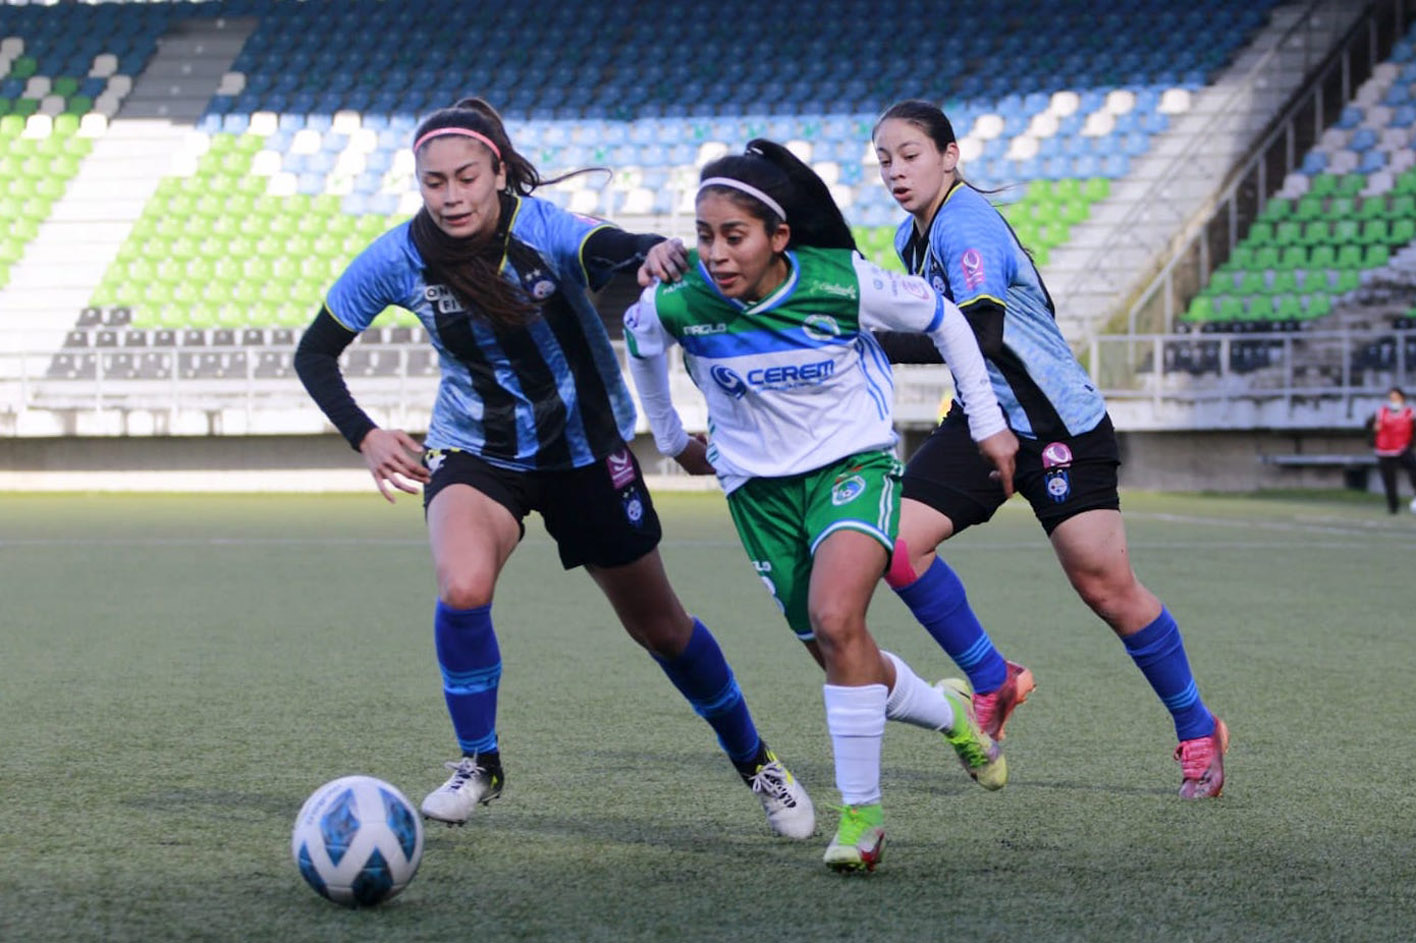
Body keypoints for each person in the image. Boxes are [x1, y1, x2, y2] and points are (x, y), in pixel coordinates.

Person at [293, 97, 816, 840]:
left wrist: (652, 252)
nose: (450, 195)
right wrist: (364, 434)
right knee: (463, 584)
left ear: (499, 172)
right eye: (433, 181)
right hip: (477, 450)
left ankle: (758, 762)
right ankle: (479, 760)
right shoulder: (396, 255)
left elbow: (606, 247)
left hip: (585, 452)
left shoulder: (539, 228)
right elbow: (314, 351)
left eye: (466, 177)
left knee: (662, 628)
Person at [624, 140, 1016, 873]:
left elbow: (947, 319)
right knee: (843, 659)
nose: (716, 253)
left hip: (852, 466)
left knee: (840, 622)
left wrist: (989, 422)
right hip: (758, 496)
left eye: (734, 236)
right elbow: (639, 339)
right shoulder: (681, 302)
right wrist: (673, 438)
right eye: (705, 236)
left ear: (778, 237)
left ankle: (861, 820)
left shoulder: (840, 283)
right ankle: (953, 714)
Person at [870, 100, 1229, 799]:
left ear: (950, 156)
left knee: (1107, 588)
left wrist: (868, 341)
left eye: (910, 154)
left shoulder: (966, 220)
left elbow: (981, 333)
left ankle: (1197, 727)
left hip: (1059, 425)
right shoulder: (909, 238)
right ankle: (991, 677)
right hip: (981, 418)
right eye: (884, 159)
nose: (895, 170)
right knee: (897, 543)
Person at [1368, 386, 1416, 515]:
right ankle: (1393, 507)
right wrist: (1374, 428)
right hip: (1384, 450)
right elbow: (1369, 425)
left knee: (1414, 468)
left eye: (1396, 397)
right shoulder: (1381, 412)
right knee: (1389, 480)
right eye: (1391, 397)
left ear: (1402, 398)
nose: (1393, 400)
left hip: (1402, 448)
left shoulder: (1409, 412)